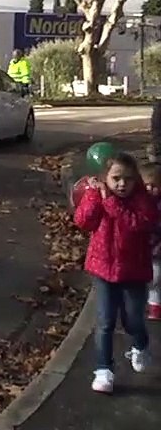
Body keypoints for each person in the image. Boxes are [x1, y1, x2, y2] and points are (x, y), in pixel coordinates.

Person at [74, 151, 158, 394]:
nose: (122, 184)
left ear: (136, 181)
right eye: (116, 178)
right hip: (103, 269)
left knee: (133, 319)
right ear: (105, 178)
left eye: (128, 179)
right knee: (105, 322)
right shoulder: (98, 195)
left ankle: (140, 344)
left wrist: (109, 201)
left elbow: (137, 224)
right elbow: (84, 222)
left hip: (134, 272)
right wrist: (92, 196)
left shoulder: (142, 200)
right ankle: (103, 369)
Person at [143, 162, 161, 321]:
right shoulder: (142, 203)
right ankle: (153, 307)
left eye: (154, 185)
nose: (149, 189)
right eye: (146, 185)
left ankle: (154, 308)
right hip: (145, 250)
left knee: (154, 281)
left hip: (156, 250)